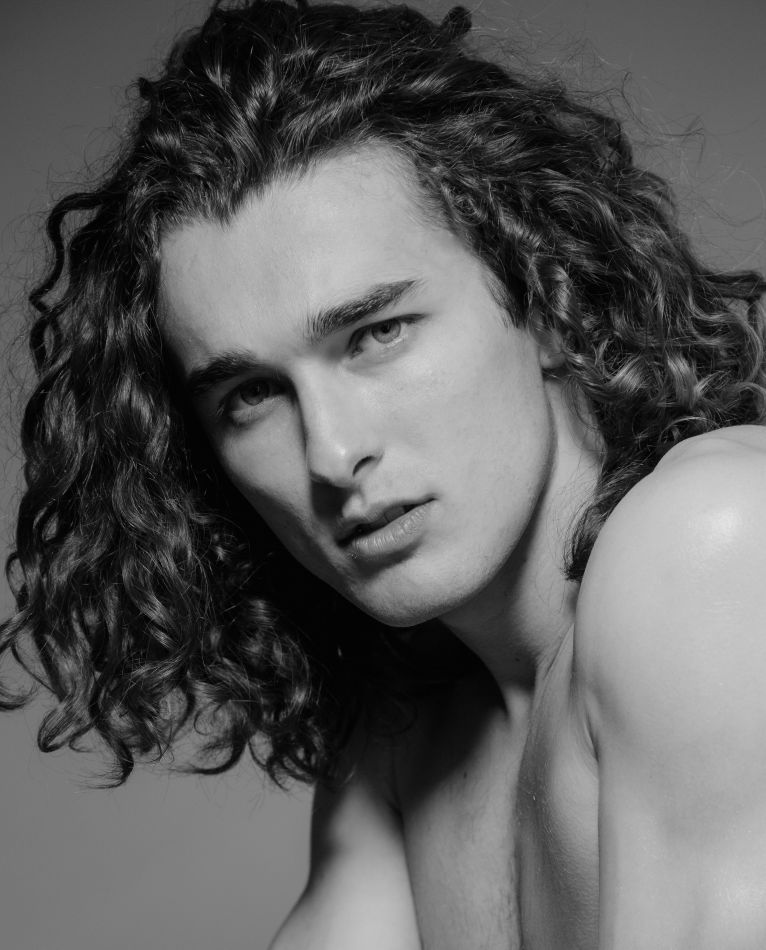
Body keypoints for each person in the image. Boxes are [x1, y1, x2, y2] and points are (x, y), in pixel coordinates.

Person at [2, 0, 765, 946]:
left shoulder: (714, 542)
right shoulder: (410, 747)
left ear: (547, 290)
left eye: (377, 333)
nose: (331, 454)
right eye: (251, 395)